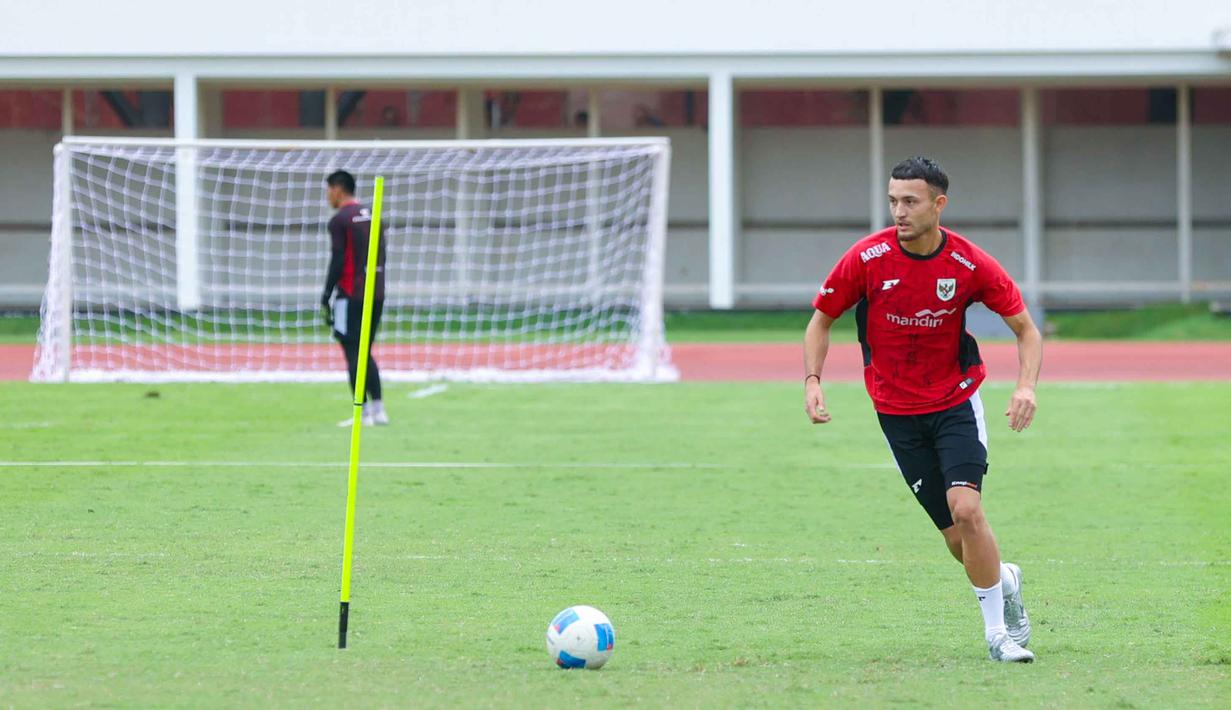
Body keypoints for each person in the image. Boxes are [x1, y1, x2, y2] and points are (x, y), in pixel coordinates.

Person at [803, 156, 1043, 662]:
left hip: (955, 402)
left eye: (910, 201)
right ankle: (1005, 580)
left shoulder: (969, 263)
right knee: (960, 544)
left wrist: (1026, 387)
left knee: (968, 509)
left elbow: (1026, 329)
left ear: (939, 205)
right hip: (895, 414)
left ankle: (998, 635)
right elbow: (821, 321)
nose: (899, 212)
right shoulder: (866, 259)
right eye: (893, 201)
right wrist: (813, 380)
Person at [322, 169, 388, 426]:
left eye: (328, 190)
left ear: (338, 189)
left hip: (350, 295)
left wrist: (326, 293)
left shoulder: (340, 220)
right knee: (366, 350)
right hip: (377, 292)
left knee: (352, 351)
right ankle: (379, 409)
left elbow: (338, 259)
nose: (327, 196)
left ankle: (362, 412)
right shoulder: (374, 216)